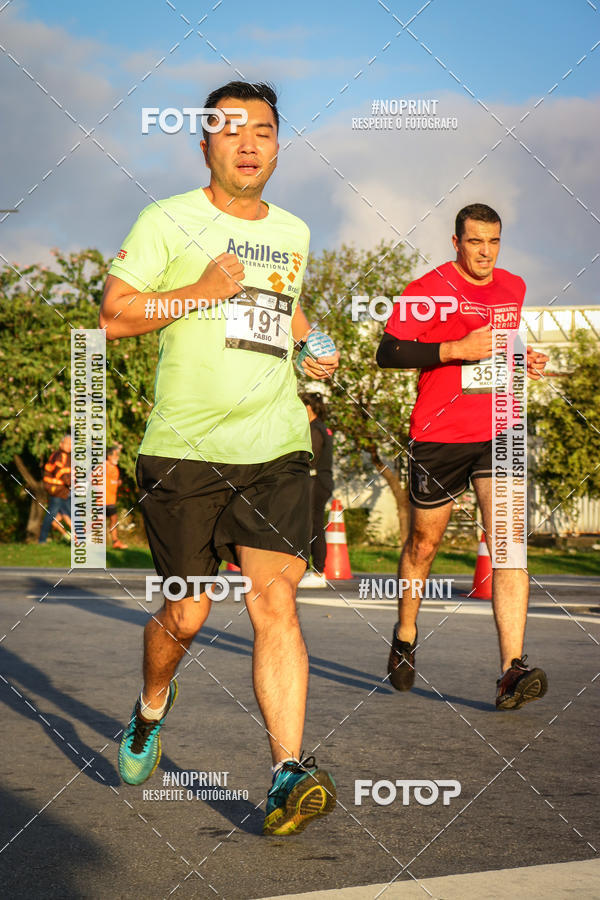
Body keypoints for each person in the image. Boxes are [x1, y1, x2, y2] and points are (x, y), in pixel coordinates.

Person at [100, 81, 340, 835]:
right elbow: (114, 316)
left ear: (277, 145)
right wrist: (199, 290)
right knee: (189, 611)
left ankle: (285, 774)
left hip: (274, 445)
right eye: (230, 131)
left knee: (276, 602)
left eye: (262, 131)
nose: (247, 144)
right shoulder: (167, 217)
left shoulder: (295, 231)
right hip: (183, 449)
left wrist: (313, 342)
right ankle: (148, 711)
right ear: (203, 143)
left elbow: (282, 303)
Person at [377, 203, 550, 710]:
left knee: (509, 543)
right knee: (424, 544)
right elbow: (387, 353)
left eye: (494, 242)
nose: (486, 253)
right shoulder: (425, 290)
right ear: (456, 242)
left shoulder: (513, 287)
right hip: (440, 433)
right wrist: (454, 350)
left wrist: (523, 356)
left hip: (501, 425)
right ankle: (406, 633)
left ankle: (511, 671)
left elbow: (502, 344)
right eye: (476, 242)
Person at [299, 392, 333, 588]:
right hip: (320, 481)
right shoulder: (321, 427)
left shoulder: (315, 429)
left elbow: (310, 458)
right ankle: (312, 570)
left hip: (316, 481)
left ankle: (318, 571)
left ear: (309, 408)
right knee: (312, 523)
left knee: (312, 524)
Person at [38, 434, 73, 543]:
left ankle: (74, 538)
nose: (69, 446)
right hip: (56, 490)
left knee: (69, 514)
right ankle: (42, 540)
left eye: (71, 444)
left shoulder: (69, 457)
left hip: (64, 491)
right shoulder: (58, 455)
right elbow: (59, 472)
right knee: (52, 515)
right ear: (61, 444)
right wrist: (70, 482)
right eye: (67, 443)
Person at [94, 445, 128, 549]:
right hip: (102, 500)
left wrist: (117, 483)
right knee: (98, 522)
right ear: (109, 456)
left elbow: (112, 481)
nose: (117, 457)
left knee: (114, 520)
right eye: (115, 455)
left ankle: (115, 542)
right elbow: (93, 477)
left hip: (111, 500)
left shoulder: (115, 468)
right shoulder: (103, 466)